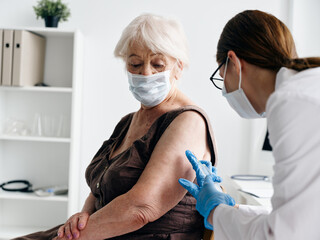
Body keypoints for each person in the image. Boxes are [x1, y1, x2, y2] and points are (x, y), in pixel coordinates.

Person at [14, 14, 218, 240]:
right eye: (135, 64)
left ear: (178, 67)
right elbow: (99, 186)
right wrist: (82, 217)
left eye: (158, 64)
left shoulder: (188, 121)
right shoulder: (128, 122)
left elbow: (141, 209)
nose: (146, 73)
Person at [179, 9, 320, 239]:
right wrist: (231, 210)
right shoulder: (305, 88)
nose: (225, 89)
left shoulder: (290, 102)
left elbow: (282, 234)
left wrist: (216, 212)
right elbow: (293, 218)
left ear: (233, 62)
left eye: (221, 76)